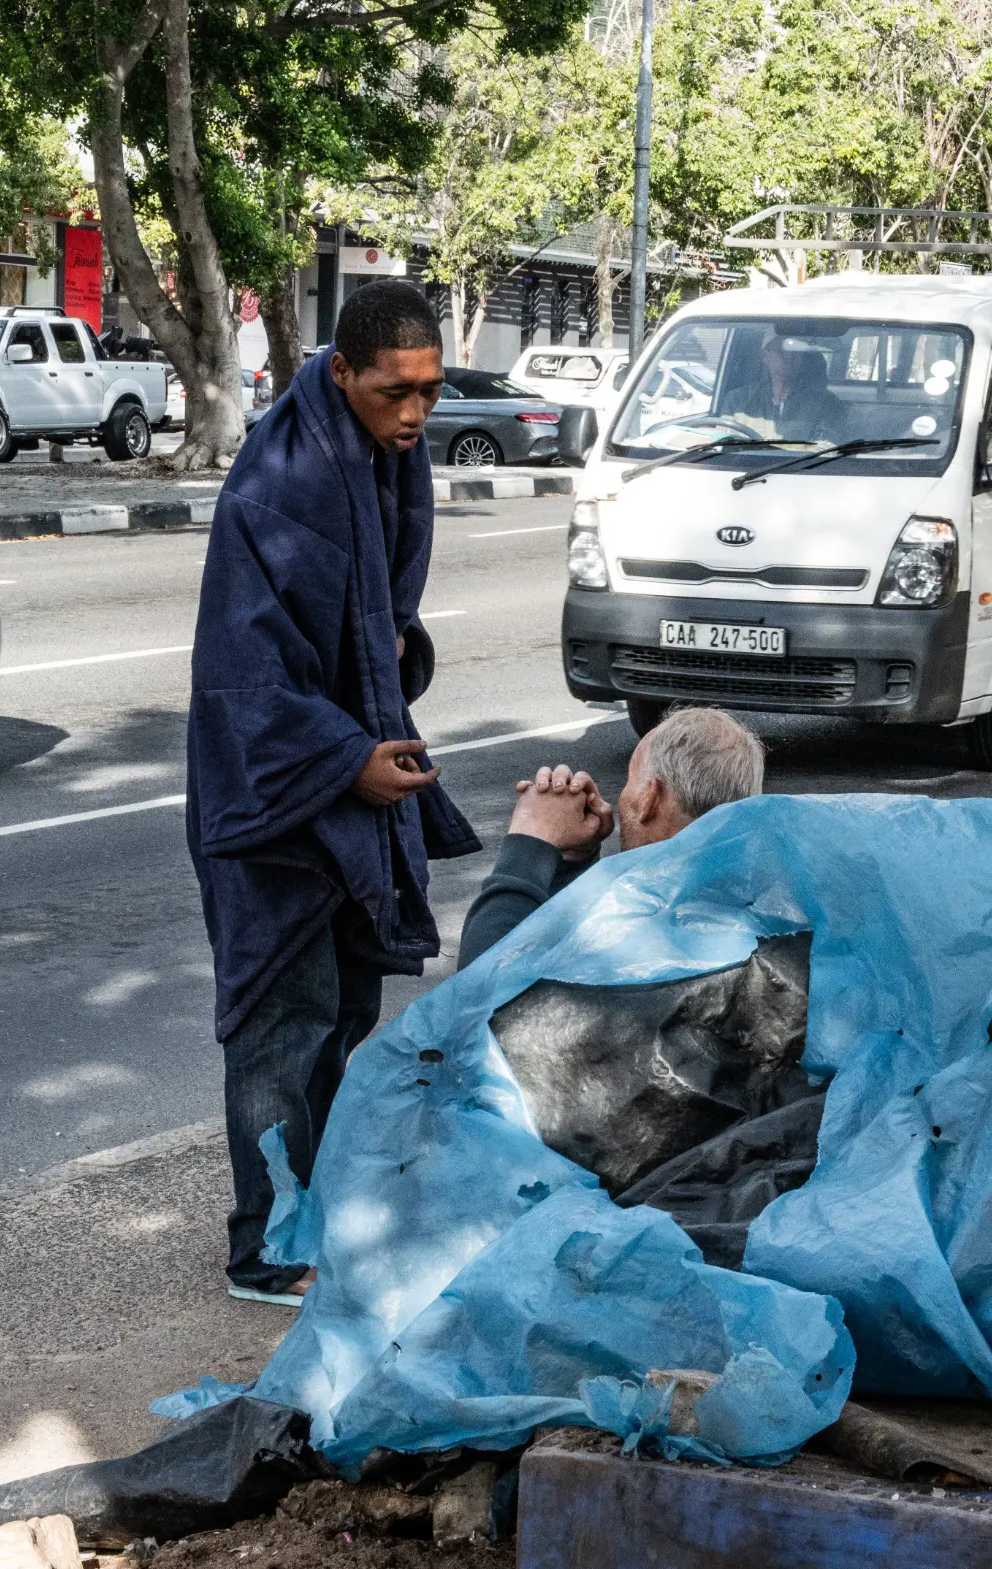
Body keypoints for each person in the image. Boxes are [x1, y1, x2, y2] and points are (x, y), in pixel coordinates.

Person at [186, 280, 480, 1306]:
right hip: (270, 791)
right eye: (395, 391)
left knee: (346, 1002)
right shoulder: (283, 482)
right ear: (342, 371)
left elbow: (375, 620)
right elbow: (243, 675)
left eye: (430, 391)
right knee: (283, 1017)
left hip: (345, 767)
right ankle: (264, 1248)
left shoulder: (386, 454)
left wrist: (393, 660)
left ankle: (310, 1212)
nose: (415, 413)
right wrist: (348, 758)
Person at [457, 707, 767, 969]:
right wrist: (571, 861)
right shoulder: (754, 906)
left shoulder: (641, 928)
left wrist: (528, 842)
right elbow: (557, 942)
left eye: (631, 781)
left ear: (649, 799)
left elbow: (479, 989)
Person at [727, 336, 845, 444]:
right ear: (765, 356)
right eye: (782, 350)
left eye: (796, 351)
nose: (790, 356)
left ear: (803, 358)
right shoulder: (738, 399)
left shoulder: (826, 403)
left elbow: (827, 449)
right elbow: (722, 443)